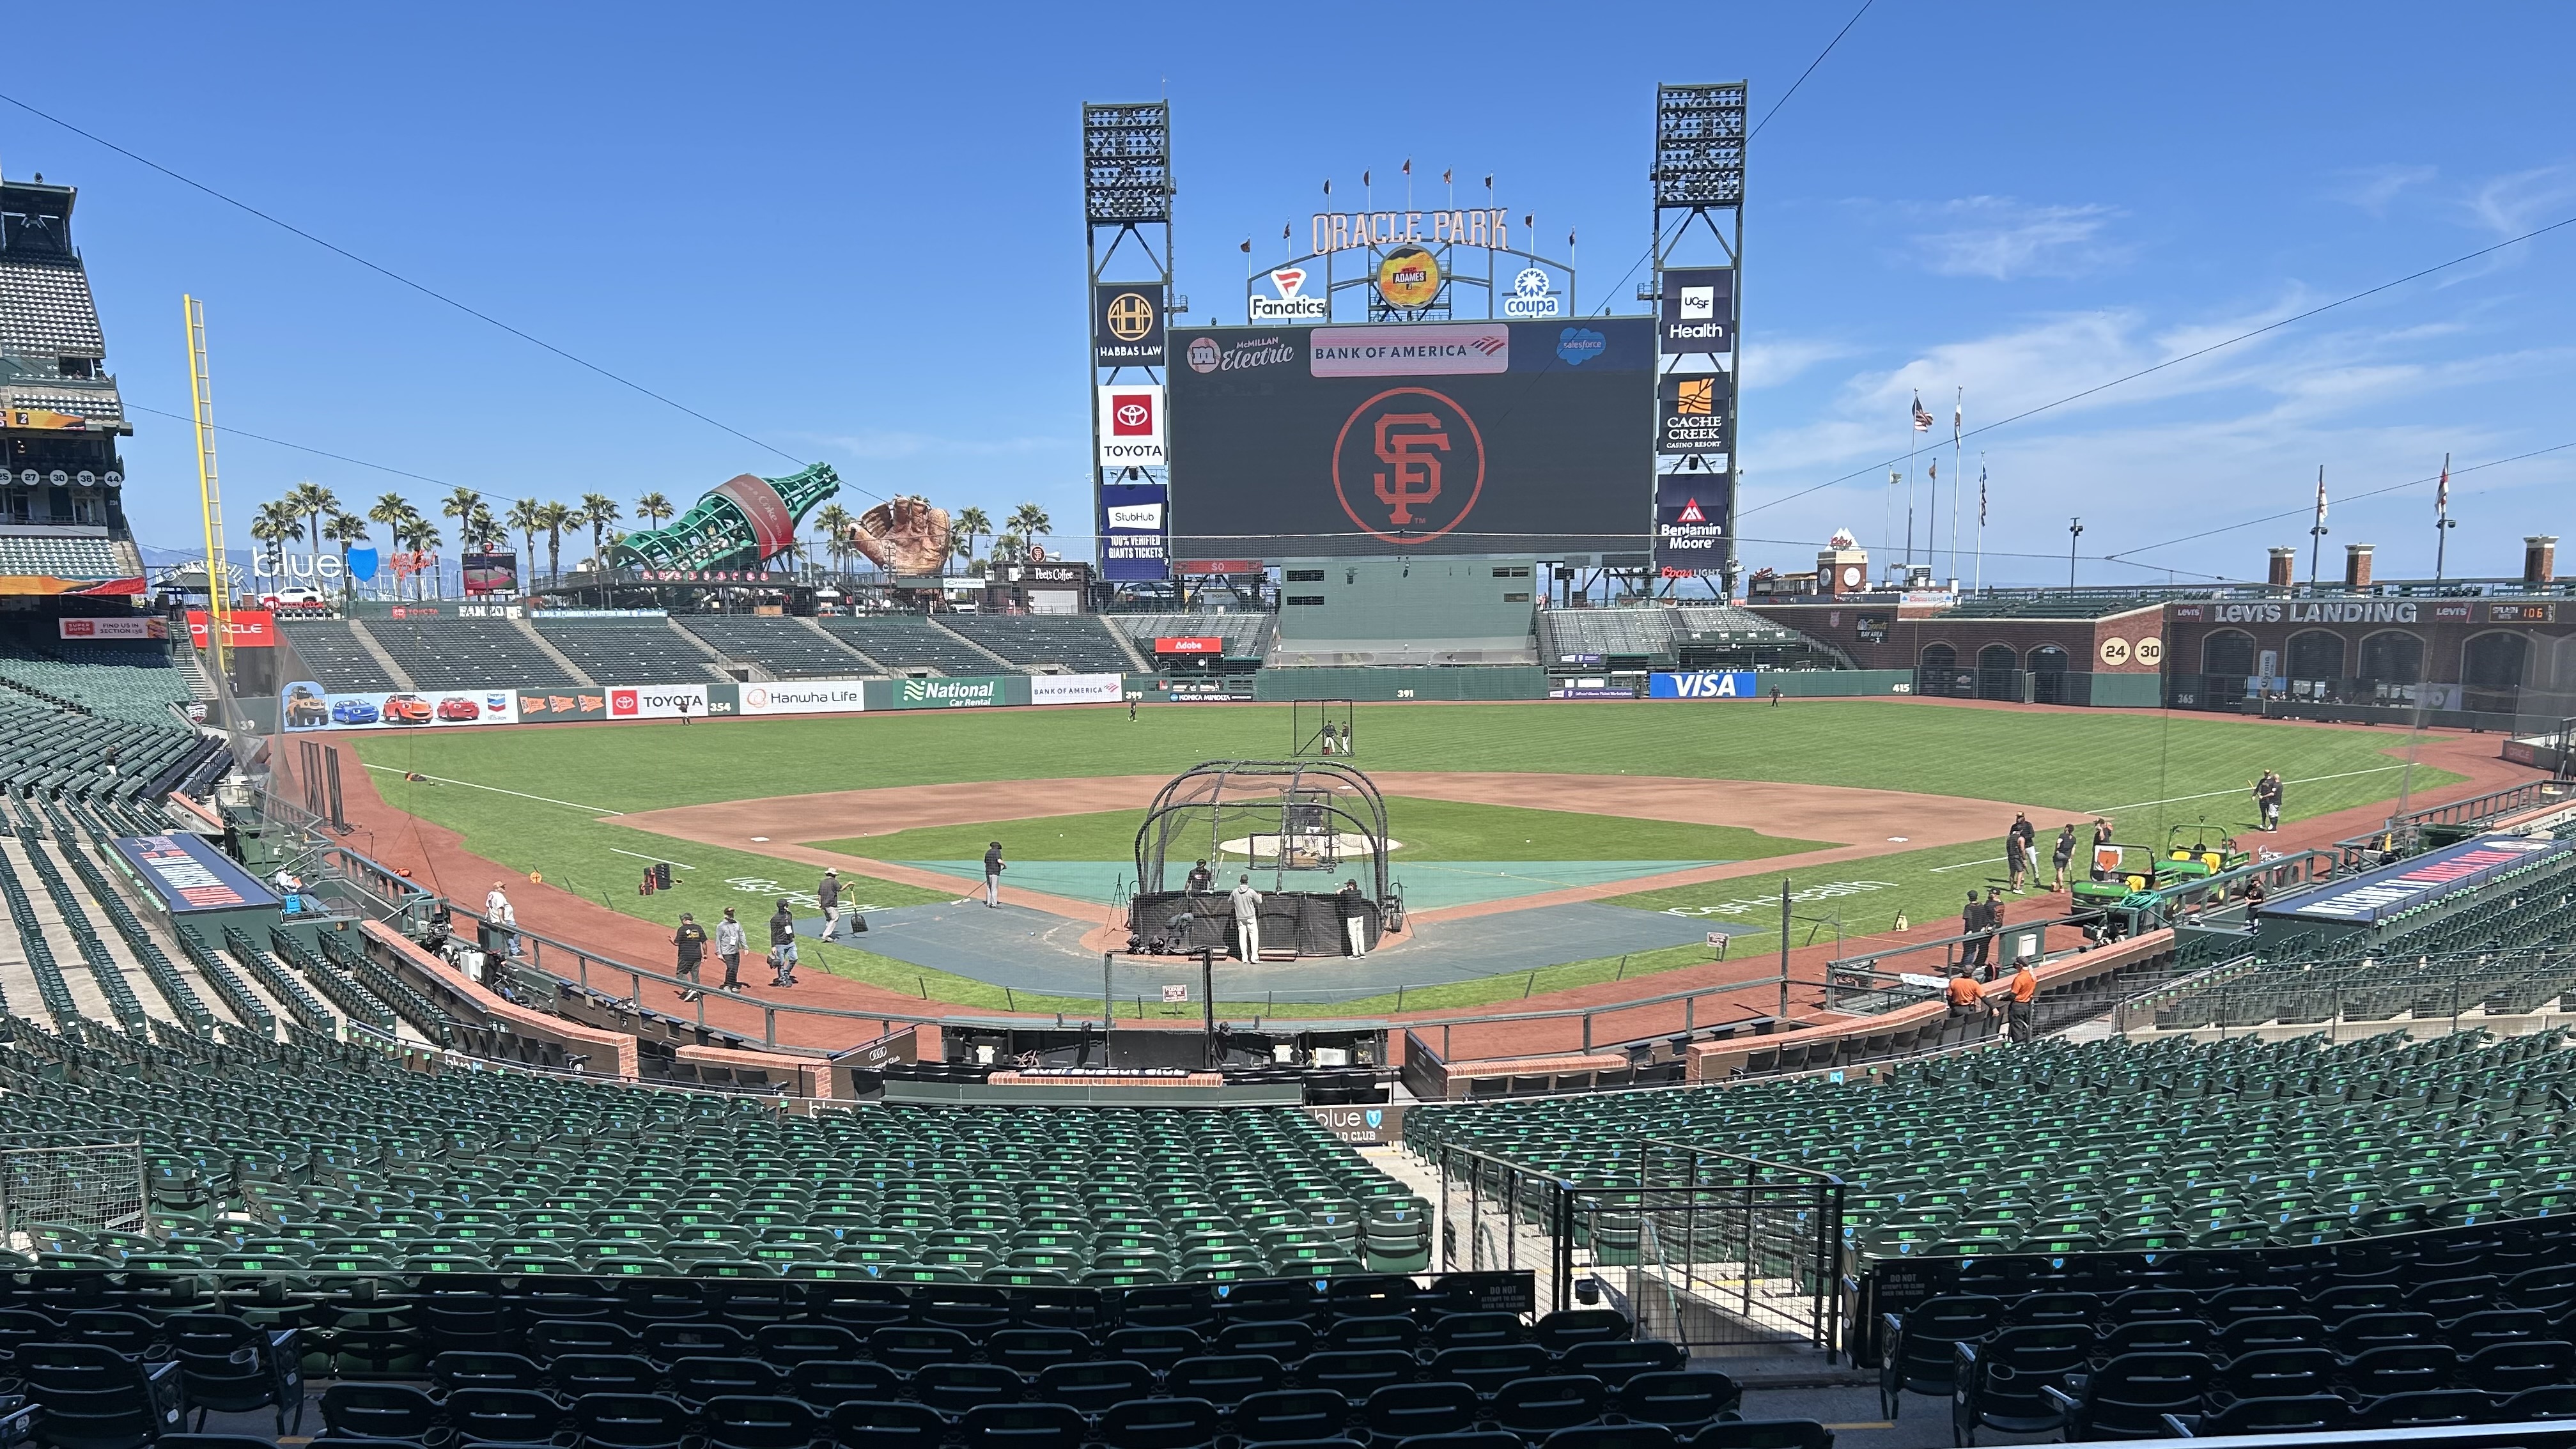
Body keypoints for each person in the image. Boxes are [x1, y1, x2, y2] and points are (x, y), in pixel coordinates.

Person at [1989, 956, 2040, 1044]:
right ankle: (2026, 1046)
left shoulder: (2020, 978)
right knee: (2025, 1028)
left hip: (2018, 1007)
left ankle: (2019, 1048)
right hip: (2027, 1006)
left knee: (2017, 1028)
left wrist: (2002, 998)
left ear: (2019, 965)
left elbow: (2012, 996)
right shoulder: (2032, 976)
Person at [671, 913, 708, 1001]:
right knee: (695, 974)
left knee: (680, 974)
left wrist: (672, 941)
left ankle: (690, 989)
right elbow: (704, 943)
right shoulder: (699, 928)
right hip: (697, 956)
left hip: (685, 956)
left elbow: (677, 943)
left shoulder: (682, 929)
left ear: (684, 920)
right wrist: (705, 954)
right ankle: (697, 991)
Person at [1230, 874, 1263, 963]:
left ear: (1240, 881)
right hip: (1251, 918)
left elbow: (1230, 901)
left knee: (1242, 937)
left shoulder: (1235, 891)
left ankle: (1244, 958)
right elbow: (1259, 902)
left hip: (1240, 918)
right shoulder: (1251, 892)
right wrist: (1259, 896)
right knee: (1254, 937)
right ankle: (1254, 957)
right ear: (1247, 881)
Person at [767, 899, 798, 986]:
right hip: (780, 943)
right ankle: (782, 980)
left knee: (794, 958)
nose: (788, 906)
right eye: (786, 905)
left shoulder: (789, 915)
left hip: (790, 942)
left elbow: (790, 926)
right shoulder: (775, 919)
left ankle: (786, 973)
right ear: (783, 906)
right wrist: (773, 946)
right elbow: (773, 932)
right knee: (781, 963)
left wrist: (792, 936)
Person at [715, 906, 746, 991]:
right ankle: (727, 985)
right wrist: (719, 953)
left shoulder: (737, 923)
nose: (731, 916)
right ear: (726, 915)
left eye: (732, 914)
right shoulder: (721, 926)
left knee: (735, 968)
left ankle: (733, 984)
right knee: (731, 967)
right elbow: (718, 940)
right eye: (730, 914)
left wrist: (745, 947)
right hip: (726, 951)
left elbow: (742, 934)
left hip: (735, 950)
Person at [485, 881, 518, 958]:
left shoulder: (491, 894)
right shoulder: (500, 896)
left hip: (494, 920)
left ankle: (514, 950)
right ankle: (515, 951)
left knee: (510, 934)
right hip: (504, 920)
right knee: (516, 933)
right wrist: (502, 920)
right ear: (497, 889)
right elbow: (500, 908)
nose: (504, 888)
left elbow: (488, 906)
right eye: (502, 887)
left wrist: (489, 916)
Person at [1959, 890, 1989, 972]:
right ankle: (1968, 965)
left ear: (1969, 898)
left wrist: (1970, 930)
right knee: (1978, 949)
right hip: (1980, 931)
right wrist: (1983, 927)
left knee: (1969, 950)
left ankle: (1966, 968)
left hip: (1971, 932)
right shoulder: (1981, 906)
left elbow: (1969, 920)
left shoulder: (1968, 907)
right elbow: (1985, 918)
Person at [2051, 823, 2078, 892]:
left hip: (2060, 855)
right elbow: (2073, 850)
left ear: (2067, 829)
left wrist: (2056, 850)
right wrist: (2071, 858)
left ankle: (2061, 887)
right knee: (2061, 871)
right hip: (2067, 857)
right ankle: (2055, 883)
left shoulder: (2062, 835)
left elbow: (2058, 843)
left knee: (2059, 871)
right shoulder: (2074, 839)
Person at [2004, 825, 2029, 894]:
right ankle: (2017, 888)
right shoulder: (2021, 838)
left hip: (2010, 856)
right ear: (2021, 830)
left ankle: (2012, 887)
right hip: (2018, 857)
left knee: (2012, 873)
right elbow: (2022, 849)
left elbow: (2007, 847)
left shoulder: (2009, 838)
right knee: (2020, 871)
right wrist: (2024, 859)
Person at [817, 868, 841, 939]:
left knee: (829, 919)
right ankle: (826, 935)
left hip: (823, 904)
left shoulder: (823, 882)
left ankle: (829, 933)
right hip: (831, 904)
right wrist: (849, 884)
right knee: (835, 918)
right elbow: (841, 889)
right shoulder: (834, 882)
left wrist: (820, 903)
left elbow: (819, 894)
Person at [2091, 817, 2116, 882]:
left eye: (2097, 824)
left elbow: (2102, 838)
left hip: (2102, 853)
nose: (2095, 826)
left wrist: (2101, 829)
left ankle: (2102, 881)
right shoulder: (2105, 830)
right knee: (2103, 868)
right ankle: (2104, 880)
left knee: (2101, 868)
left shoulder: (2103, 831)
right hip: (2103, 853)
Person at [982, 841, 1005, 908]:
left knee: (989, 888)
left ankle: (988, 903)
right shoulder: (997, 852)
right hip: (995, 872)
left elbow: (985, 862)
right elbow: (999, 861)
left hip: (988, 872)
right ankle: (994, 904)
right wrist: (1004, 865)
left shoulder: (988, 852)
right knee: (994, 888)